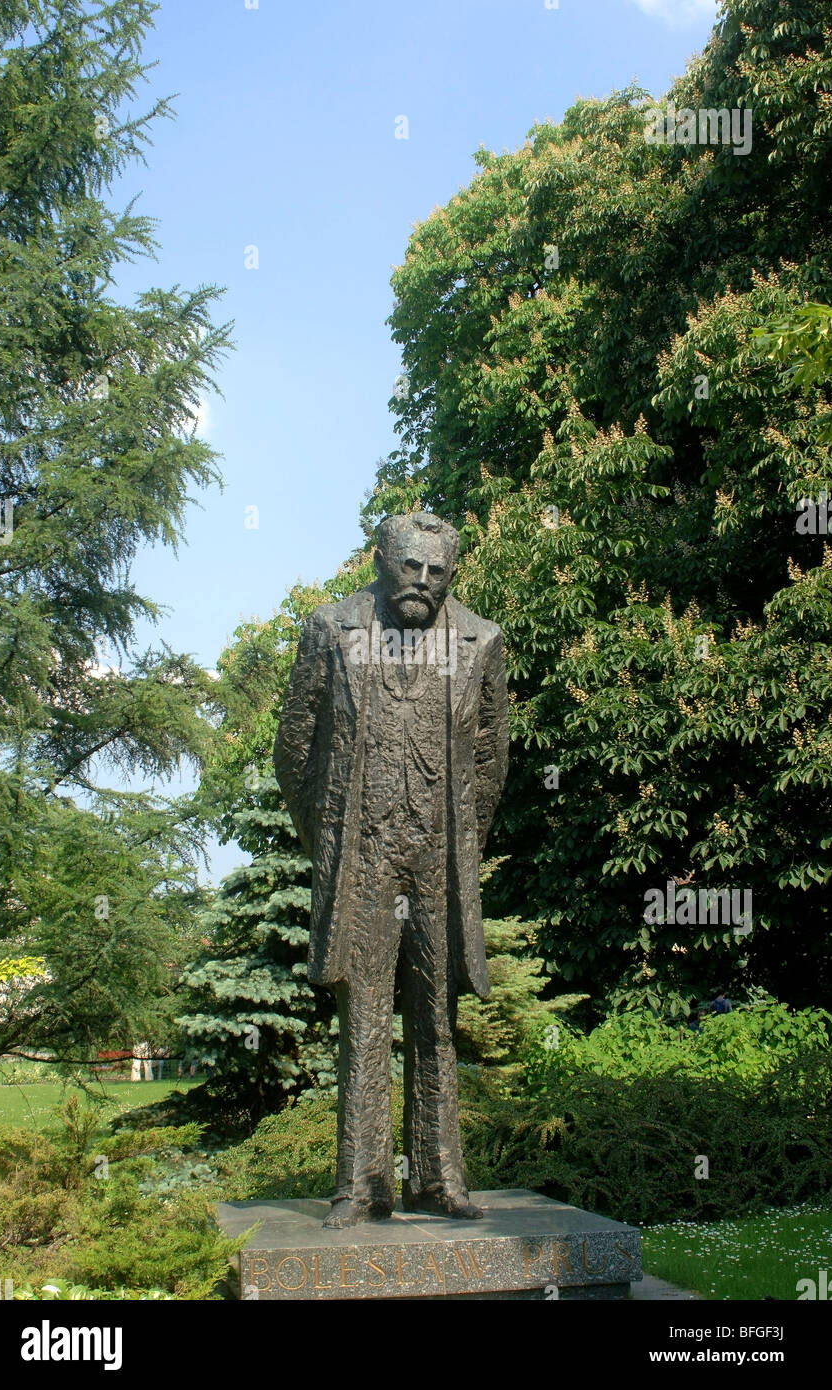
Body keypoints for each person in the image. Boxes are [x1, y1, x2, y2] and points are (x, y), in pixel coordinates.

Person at [274, 512, 508, 1229]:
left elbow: (491, 759)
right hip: (364, 854)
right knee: (364, 1015)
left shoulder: (481, 641)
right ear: (380, 559)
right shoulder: (331, 629)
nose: (422, 581)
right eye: (410, 566)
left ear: (452, 573)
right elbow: (294, 749)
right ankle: (360, 1183)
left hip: (437, 857)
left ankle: (438, 1179)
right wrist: (331, 841)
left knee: (438, 1014)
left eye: (436, 571)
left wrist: (459, 842)